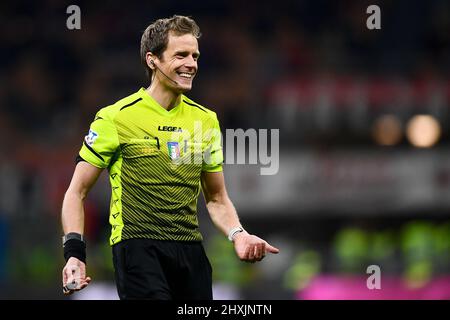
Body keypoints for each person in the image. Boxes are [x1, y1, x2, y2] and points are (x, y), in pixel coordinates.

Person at [61, 15, 279, 300]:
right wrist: (74, 255)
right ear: (152, 60)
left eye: (195, 56)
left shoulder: (206, 120)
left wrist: (239, 234)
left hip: (191, 251)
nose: (191, 64)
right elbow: (76, 192)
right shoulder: (115, 117)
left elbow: (216, 198)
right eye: (181, 55)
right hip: (138, 248)